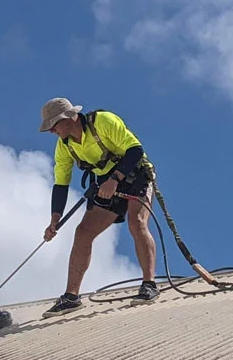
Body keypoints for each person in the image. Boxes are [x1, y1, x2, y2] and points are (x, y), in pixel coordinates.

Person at [38, 97, 158, 318]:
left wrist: (115, 179)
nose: (52, 131)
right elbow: (61, 184)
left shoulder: (104, 122)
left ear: (69, 117)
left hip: (136, 174)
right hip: (105, 183)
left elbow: (135, 151)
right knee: (82, 232)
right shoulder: (64, 147)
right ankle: (71, 297)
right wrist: (55, 219)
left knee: (137, 222)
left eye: (54, 125)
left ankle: (149, 284)